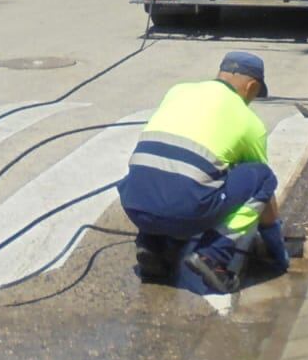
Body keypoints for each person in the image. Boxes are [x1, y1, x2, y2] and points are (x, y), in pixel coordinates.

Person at [118, 51, 288, 296]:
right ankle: (213, 256)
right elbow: (264, 190)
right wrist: (275, 247)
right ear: (251, 87)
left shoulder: (178, 91)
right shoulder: (250, 123)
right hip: (184, 211)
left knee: (164, 172)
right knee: (262, 176)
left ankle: (151, 246)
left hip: (135, 205)